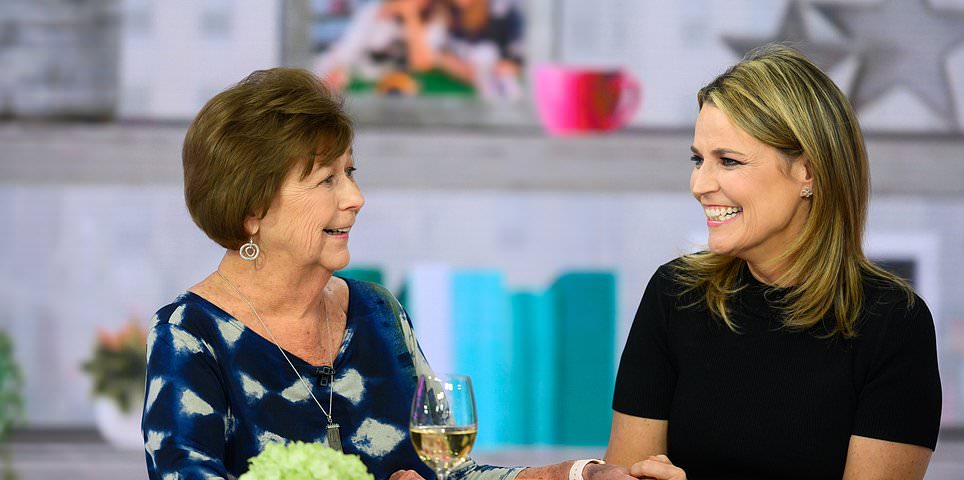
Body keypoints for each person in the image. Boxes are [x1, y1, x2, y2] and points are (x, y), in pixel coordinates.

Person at [140, 66, 634, 480]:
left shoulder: (378, 311)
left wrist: (576, 474)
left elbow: (450, 474)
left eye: (350, 172)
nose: (355, 198)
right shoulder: (189, 335)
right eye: (326, 180)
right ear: (251, 208)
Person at [592, 44, 942, 479]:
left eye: (728, 161)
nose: (699, 184)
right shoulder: (674, 294)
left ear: (808, 172)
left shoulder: (894, 324)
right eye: (698, 160)